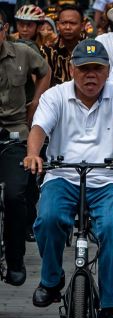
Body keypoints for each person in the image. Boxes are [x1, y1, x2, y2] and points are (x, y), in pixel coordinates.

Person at [25, 39, 113, 318]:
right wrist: (33, 154)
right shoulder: (55, 96)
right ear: (72, 70)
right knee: (48, 219)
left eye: (98, 69)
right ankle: (51, 281)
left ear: (107, 71)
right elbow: (39, 127)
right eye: (84, 69)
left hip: (107, 179)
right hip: (62, 176)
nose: (91, 75)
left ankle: (111, 306)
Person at [0, 8, 51, 286]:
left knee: (15, 196)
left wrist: (36, 103)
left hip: (16, 135)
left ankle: (16, 259)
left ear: (5, 28)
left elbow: (45, 71)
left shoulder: (22, 52)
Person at [40, 4, 84, 87]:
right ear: (57, 26)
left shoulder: (90, 47)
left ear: (82, 26)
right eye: (63, 23)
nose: (67, 27)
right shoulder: (48, 50)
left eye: (73, 23)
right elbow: (44, 82)